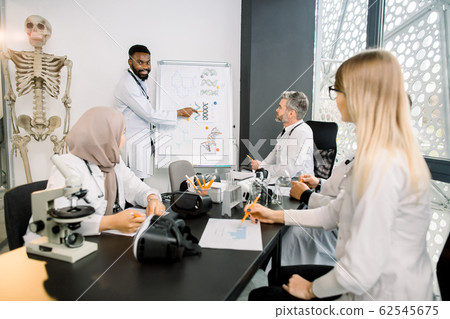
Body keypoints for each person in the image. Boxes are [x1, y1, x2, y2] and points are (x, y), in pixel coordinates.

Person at [247, 49, 432, 301]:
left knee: (262, 297)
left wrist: (312, 290)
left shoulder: (383, 165)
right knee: (277, 278)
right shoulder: (377, 152)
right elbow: (335, 211)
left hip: (382, 295)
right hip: (367, 282)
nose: (335, 98)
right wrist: (275, 214)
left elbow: (360, 271)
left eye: (337, 90)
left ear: (359, 95)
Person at [24, 107, 166, 241]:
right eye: (122, 133)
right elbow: (58, 219)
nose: (124, 139)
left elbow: (136, 187)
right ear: (105, 136)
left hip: (103, 240)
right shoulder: (67, 166)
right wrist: (110, 222)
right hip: (61, 245)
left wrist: (152, 199)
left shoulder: (113, 161)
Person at [114, 44, 197, 178]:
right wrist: (179, 113)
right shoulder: (127, 85)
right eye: (139, 62)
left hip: (140, 141)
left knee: (138, 186)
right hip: (132, 144)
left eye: (147, 63)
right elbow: (149, 114)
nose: (145, 67)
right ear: (130, 62)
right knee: (132, 187)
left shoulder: (138, 80)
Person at [250, 91, 314, 183]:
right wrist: (261, 166)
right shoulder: (287, 131)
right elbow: (274, 154)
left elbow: (288, 170)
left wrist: (262, 167)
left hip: (297, 186)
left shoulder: (301, 132)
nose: (277, 110)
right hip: (283, 183)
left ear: (291, 113)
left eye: (280, 107)